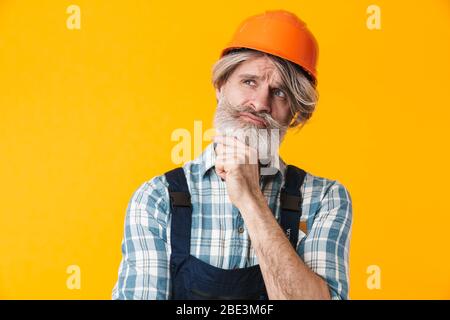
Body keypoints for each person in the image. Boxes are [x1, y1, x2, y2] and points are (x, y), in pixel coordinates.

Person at [112, 10, 352, 300]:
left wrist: (251, 200)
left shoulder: (323, 199)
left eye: (280, 93)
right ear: (220, 86)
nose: (260, 103)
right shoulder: (157, 199)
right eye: (249, 82)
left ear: (294, 112)